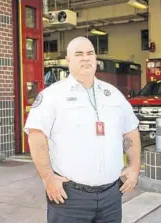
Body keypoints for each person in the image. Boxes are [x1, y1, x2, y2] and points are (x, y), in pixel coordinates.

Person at [24, 36, 141, 223]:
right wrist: (48, 179)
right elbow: (36, 136)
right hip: (70, 198)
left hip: (111, 196)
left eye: (90, 53)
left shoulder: (113, 95)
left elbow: (130, 131)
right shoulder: (53, 95)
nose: (86, 58)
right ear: (68, 60)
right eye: (79, 54)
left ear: (96, 58)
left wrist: (134, 168)